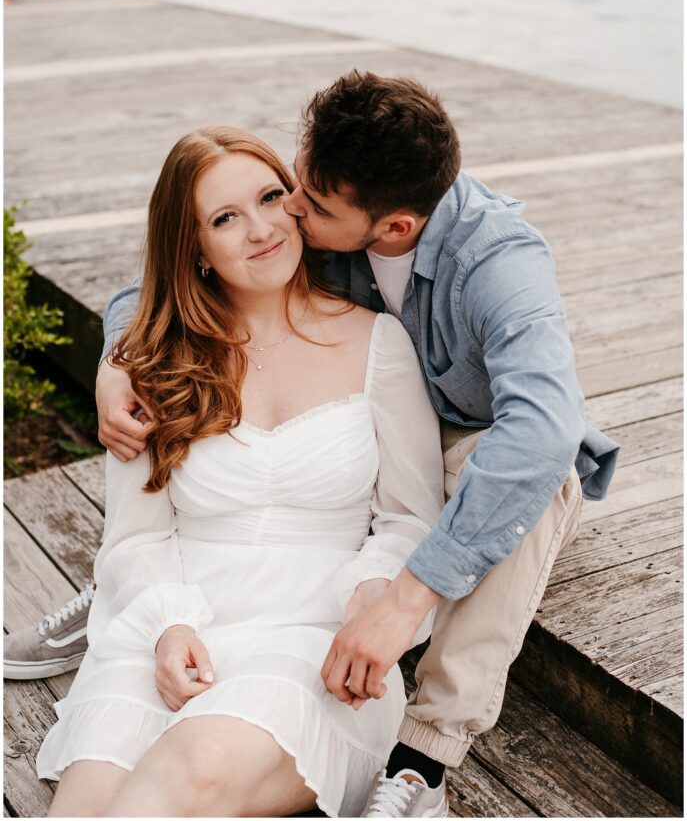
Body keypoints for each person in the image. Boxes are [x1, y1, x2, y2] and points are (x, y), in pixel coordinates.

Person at [17, 71, 619, 817]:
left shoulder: (495, 263)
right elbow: (165, 280)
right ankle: (126, 593)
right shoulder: (317, 224)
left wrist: (399, 598)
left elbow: (537, 432)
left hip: (478, 434)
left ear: (392, 227)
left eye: (297, 202)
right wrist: (117, 361)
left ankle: (424, 756)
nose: (285, 216)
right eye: (285, 188)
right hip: (208, 572)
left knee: (537, 474)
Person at [35, 126, 446, 818]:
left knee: (190, 769)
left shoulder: (376, 341)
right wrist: (167, 628)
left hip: (316, 635)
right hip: (175, 627)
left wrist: (369, 597)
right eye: (225, 218)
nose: (260, 229)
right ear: (193, 246)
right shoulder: (150, 362)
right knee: (87, 803)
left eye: (270, 197)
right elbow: (133, 539)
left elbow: (411, 516)